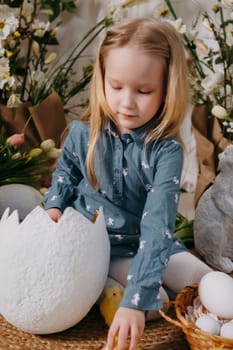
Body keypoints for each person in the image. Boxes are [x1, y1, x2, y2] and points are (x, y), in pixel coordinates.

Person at [43, 17, 212, 350]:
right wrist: (52, 208)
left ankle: (122, 292)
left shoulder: (166, 150)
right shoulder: (83, 134)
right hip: (100, 248)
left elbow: (157, 224)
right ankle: (106, 287)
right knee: (155, 300)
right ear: (102, 79)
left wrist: (136, 297)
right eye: (116, 86)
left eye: (144, 90)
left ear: (167, 90)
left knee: (209, 282)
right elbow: (64, 177)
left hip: (147, 241)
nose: (126, 102)